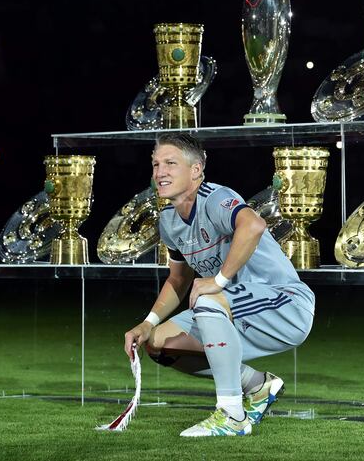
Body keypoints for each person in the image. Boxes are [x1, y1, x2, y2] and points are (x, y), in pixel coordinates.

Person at [123, 132, 315, 437]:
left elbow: (254, 225)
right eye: (156, 164)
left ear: (196, 170)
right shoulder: (169, 220)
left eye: (171, 163)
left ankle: (231, 415)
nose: (160, 172)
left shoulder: (213, 197)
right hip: (231, 308)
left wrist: (219, 280)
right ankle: (258, 386)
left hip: (285, 303)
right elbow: (178, 278)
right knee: (160, 344)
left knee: (208, 300)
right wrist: (148, 323)